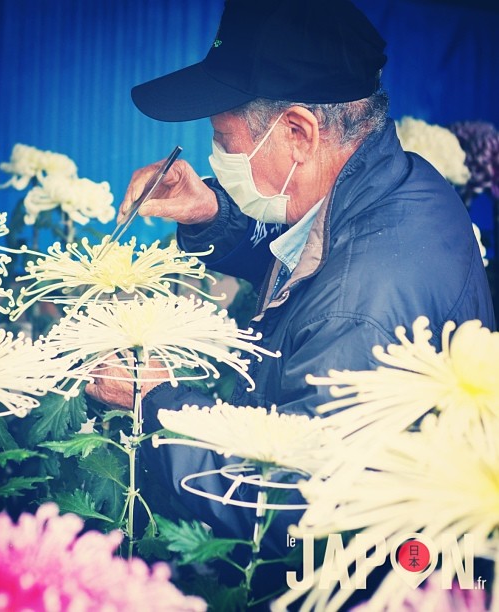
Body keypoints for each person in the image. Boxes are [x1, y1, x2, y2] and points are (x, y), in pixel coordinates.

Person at [86, 0, 496, 602]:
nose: (218, 158)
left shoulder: (361, 303)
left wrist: (157, 402)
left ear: (299, 132)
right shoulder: (401, 186)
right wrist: (217, 218)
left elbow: (286, 505)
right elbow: (317, 261)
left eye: (223, 139)